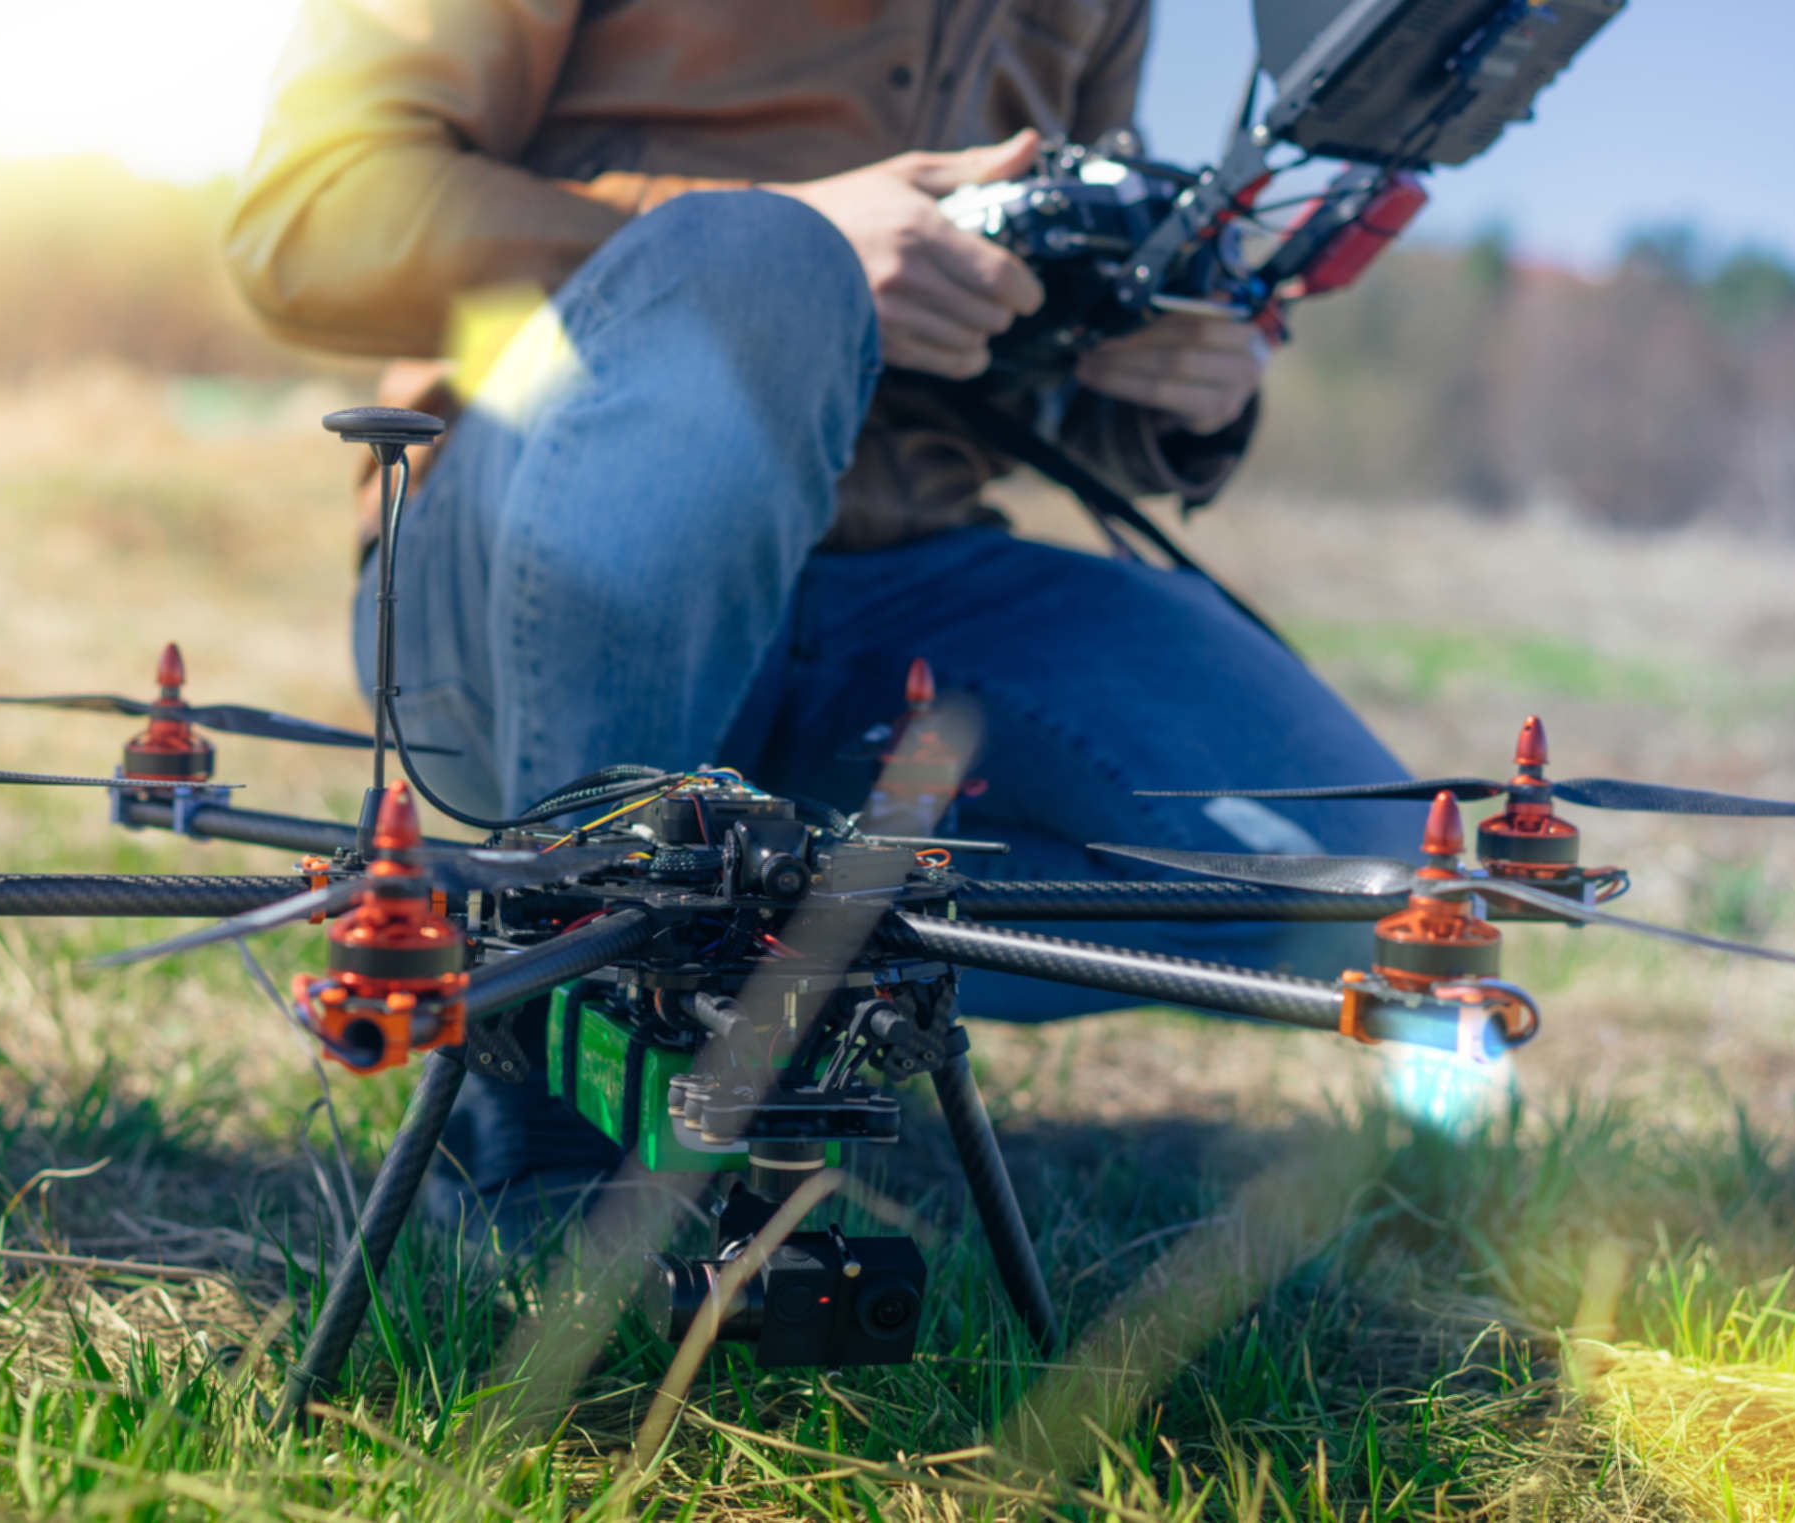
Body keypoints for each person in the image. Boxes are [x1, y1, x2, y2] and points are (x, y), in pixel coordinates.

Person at [225, 0, 1420, 1228]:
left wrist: (1169, 379)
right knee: (761, 261)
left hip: (895, 599)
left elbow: (1040, 365)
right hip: (522, 577)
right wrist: (774, 240)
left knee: (1383, 896)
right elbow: (306, 219)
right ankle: (563, 1030)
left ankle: (756, 970)